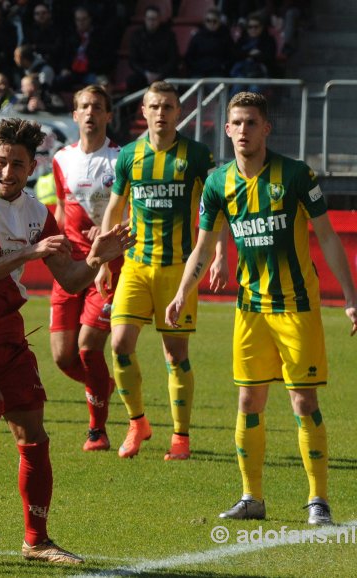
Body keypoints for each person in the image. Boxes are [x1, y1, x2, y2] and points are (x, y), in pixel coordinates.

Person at [0, 116, 134, 564]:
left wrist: (99, 257)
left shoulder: (37, 213)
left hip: (6, 329)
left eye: (17, 164)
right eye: (0, 162)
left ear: (31, 166)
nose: (7, 172)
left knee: (34, 436)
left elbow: (72, 278)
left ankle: (37, 541)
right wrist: (26, 253)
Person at [167, 91, 357, 525]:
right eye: (237, 123)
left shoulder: (294, 175)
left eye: (252, 122)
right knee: (248, 400)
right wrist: (181, 292)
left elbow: (327, 236)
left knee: (303, 402)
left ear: (265, 128)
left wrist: (350, 296)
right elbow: (203, 247)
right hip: (250, 310)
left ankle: (318, 500)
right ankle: (252, 497)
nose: (243, 130)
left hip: (296, 307)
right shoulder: (218, 183)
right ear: (228, 129)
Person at [99, 81, 228, 461]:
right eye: (154, 106)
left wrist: (219, 255)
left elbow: (216, 209)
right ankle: (137, 422)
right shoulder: (129, 156)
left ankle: (181, 437)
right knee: (120, 345)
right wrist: (106, 261)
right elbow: (114, 208)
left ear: (178, 111)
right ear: (144, 111)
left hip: (178, 270)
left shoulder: (197, 156)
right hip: (136, 267)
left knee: (175, 355)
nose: (161, 113)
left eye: (168, 107)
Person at [50, 85, 120, 451]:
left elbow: (133, 212)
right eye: (83, 106)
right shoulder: (61, 159)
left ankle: (97, 430)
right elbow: (62, 207)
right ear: (75, 115)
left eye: (97, 107)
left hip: (106, 268)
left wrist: (107, 232)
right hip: (70, 266)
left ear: (109, 115)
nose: (90, 112)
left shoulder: (121, 160)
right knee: (63, 357)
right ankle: (101, 386)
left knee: (88, 348)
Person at [126, 5, 179, 94]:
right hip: (144, 74)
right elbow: (133, 61)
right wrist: (146, 73)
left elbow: (173, 59)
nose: (151, 22)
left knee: (173, 82)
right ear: (145, 19)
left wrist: (159, 74)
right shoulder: (137, 36)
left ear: (159, 20)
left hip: (163, 73)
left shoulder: (168, 36)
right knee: (132, 81)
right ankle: (133, 108)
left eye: (154, 19)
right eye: (149, 19)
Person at [185, 7, 236, 79]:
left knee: (216, 85)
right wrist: (196, 67)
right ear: (204, 22)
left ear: (219, 22)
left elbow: (231, 57)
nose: (211, 23)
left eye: (214, 21)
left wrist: (222, 66)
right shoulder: (197, 37)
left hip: (217, 72)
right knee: (195, 84)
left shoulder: (226, 37)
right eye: (208, 21)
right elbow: (189, 57)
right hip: (198, 71)